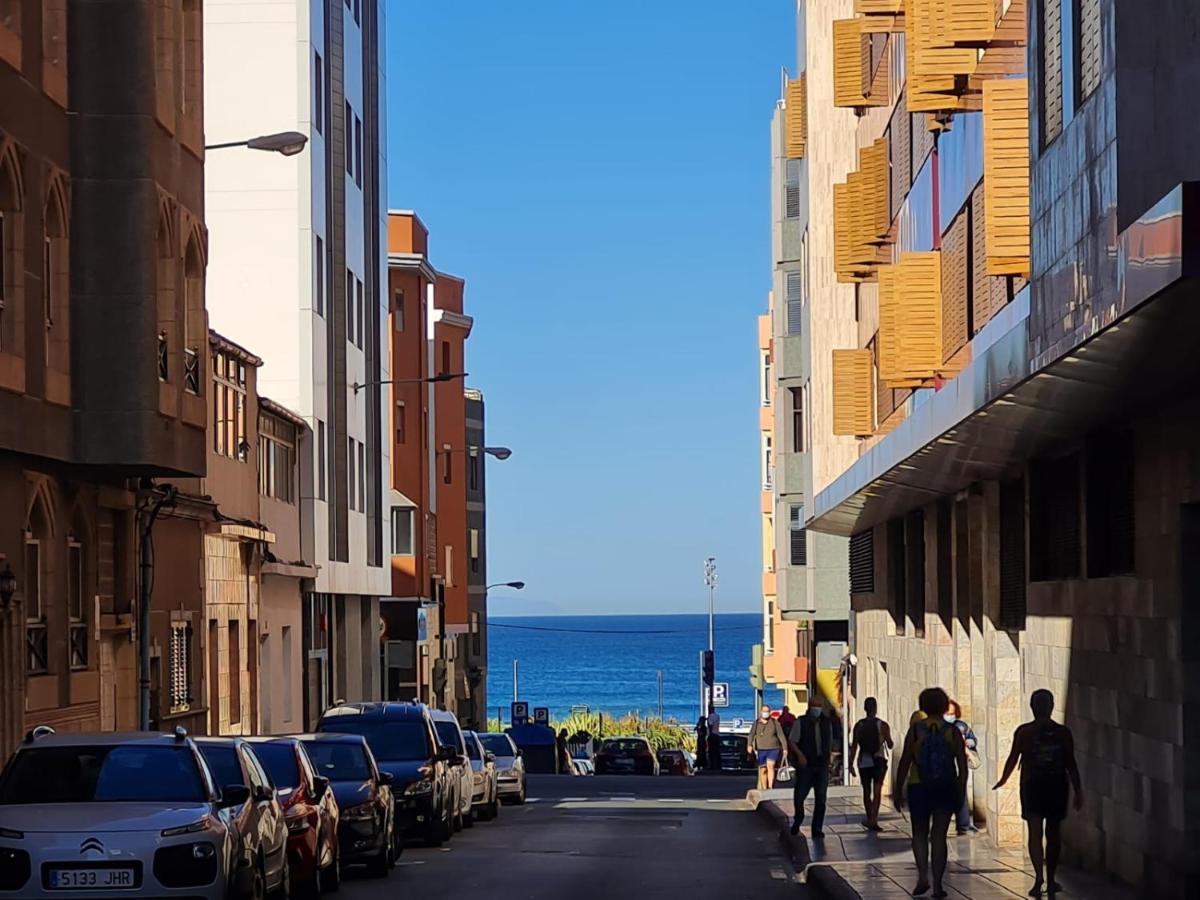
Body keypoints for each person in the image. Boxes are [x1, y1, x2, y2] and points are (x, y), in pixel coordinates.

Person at [993, 689, 1083, 897]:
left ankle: (1038, 877)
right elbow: (1071, 763)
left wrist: (1003, 780)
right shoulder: (1063, 732)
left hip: (1032, 786)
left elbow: (1013, 758)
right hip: (1056, 786)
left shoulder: (1024, 732)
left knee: (1034, 832)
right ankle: (1051, 879)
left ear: (1032, 707)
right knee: (1053, 833)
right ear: (1051, 707)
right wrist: (1078, 790)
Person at [893, 688, 968, 899]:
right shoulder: (952, 731)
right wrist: (960, 790)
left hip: (919, 786)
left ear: (922, 706)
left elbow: (905, 761)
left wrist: (899, 790)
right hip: (945, 786)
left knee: (919, 834)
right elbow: (961, 765)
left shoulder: (916, 730)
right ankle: (938, 886)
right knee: (939, 836)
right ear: (945, 706)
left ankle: (922, 877)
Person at [786, 695, 834, 839]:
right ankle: (798, 818)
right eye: (815, 705)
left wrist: (829, 758)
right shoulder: (801, 722)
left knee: (821, 798)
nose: (817, 708)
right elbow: (792, 741)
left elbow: (829, 741)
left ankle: (817, 828)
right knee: (800, 796)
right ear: (809, 706)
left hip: (821, 765)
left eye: (819, 705)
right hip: (806, 764)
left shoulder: (827, 723)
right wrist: (800, 755)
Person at [848, 696, 894, 831]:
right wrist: (885, 740)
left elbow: (855, 745)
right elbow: (890, 745)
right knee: (877, 790)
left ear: (864, 708)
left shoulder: (859, 725)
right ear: (875, 708)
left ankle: (869, 818)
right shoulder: (883, 725)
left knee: (866, 791)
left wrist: (851, 763)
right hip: (879, 759)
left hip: (864, 760)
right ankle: (874, 818)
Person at [946, 700, 980, 834]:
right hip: (944, 767)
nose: (950, 716)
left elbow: (972, 739)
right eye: (947, 713)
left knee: (961, 795)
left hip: (958, 765)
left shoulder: (961, 726)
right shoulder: (938, 727)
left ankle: (963, 824)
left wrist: (968, 742)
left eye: (952, 713)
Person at [748, 704, 788, 790]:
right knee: (763, 769)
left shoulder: (775, 722)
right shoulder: (756, 723)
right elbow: (751, 734)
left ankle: (770, 786)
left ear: (770, 712)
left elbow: (781, 735)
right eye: (764, 711)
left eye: (767, 711)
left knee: (770, 766)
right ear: (761, 712)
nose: (765, 713)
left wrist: (785, 748)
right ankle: (764, 787)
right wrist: (749, 745)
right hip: (761, 749)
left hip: (773, 748)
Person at [706, 704, 722, 771]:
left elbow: (710, 725)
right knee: (717, 751)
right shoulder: (717, 716)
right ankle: (718, 765)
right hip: (717, 734)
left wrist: (710, 734)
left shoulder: (710, 716)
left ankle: (712, 765)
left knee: (711, 752)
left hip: (712, 735)